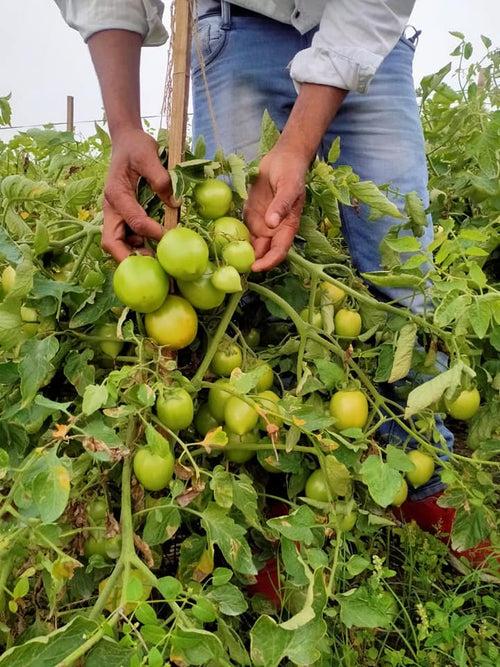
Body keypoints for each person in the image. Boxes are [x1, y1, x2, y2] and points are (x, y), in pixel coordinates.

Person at [54, 0, 489, 568]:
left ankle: (426, 488)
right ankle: (278, 507)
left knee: (403, 276)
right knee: (253, 293)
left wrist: (298, 145)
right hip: (232, 31)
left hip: (361, 32)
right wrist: (124, 127)